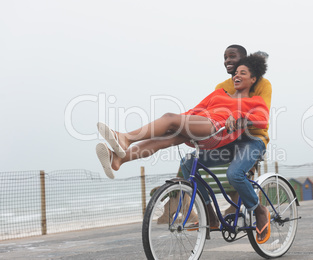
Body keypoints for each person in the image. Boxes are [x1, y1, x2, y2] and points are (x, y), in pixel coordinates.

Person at [96, 53, 269, 183]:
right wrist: (179, 121)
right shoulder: (219, 93)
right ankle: (119, 159)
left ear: (253, 79)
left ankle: (126, 138)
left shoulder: (254, 101)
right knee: (162, 139)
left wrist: (239, 116)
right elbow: (196, 110)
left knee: (169, 118)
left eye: (243, 73)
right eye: (236, 73)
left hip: (216, 130)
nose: (237, 76)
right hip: (199, 126)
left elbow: (263, 120)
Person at [180, 45, 272, 244]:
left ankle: (260, 211)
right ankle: (210, 215)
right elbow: (212, 113)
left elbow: (262, 116)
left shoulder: (262, 84)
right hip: (228, 139)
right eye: (225, 57)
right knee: (188, 163)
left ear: (245, 61)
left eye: (233, 57)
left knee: (234, 174)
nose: (228, 61)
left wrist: (241, 118)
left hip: (253, 139)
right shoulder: (221, 87)